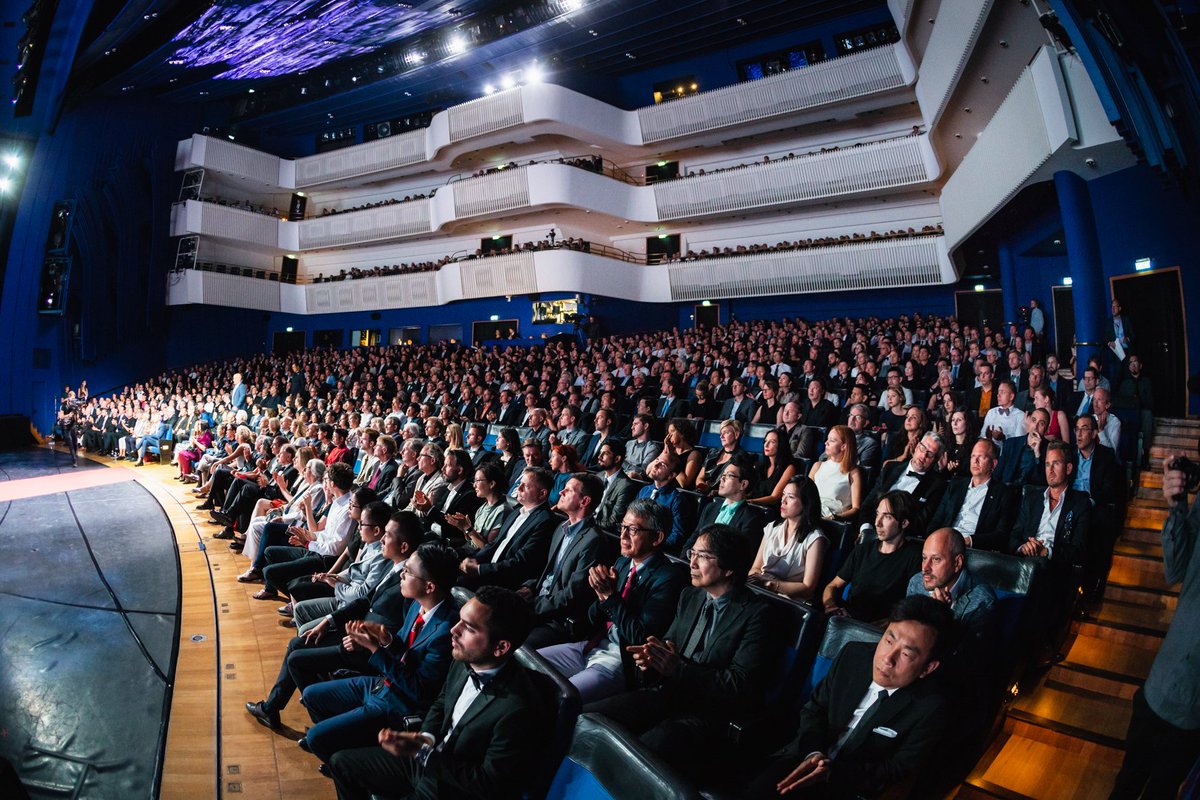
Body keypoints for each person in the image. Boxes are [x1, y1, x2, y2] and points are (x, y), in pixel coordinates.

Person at [584, 524, 774, 779]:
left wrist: (677, 668)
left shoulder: (755, 614)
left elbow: (739, 685)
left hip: (705, 712)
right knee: (588, 719)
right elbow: (669, 644)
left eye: (703, 556)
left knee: (637, 756)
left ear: (729, 568)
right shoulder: (690, 596)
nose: (692, 563)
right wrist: (651, 657)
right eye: (692, 554)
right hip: (666, 693)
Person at [327, 587, 551, 800]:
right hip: (428, 759)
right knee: (341, 763)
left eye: (469, 628)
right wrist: (425, 738)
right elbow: (441, 703)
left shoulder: (519, 709)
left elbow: (488, 784)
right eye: (460, 620)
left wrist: (423, 753)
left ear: (500, 647)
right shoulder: (466, 659)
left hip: (454, 788)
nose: (454, 630)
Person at [744, 596, 953, 800]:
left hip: (850, 786)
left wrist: (831, 772)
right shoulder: (853, 655)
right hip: (804, 755)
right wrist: (813, 754)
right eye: (889, 640)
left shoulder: (931, 706)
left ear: (928, 668)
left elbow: (898, 767)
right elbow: (815, 709)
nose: (888, 658)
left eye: (906, 654)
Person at [297, 543, 461, 762]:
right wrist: (380, 640)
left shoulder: (446, 630)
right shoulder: (417, 604)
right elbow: (403, 647)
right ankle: (343, 744)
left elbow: (418, 690)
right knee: (311, 696)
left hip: (398, 703)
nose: (401, 575)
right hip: (381, 684)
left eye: (408, 572)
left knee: (317, 737)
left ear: (429, 586)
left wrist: (376, 649)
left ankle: (342, 759)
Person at [1109, 455, 1200, 799]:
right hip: (1162, 684)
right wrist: (1177, 505)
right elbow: (1175, 570)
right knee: (1127, 781)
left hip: (1194, 709)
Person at [537, 500, 689, 704]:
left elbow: (641, 637)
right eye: (623, 527)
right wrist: (600, 595)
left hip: (619, 660)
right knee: (526, 665)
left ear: (657, 538)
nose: (623, 535)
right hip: (591, 646)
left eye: (633, 530)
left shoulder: (669, 578)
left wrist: (610, 597)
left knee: (562, 699)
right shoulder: (623, 562)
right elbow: (592, 619)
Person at [519, 472, 607, 649]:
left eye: (568, 490)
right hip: (540, 602)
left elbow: (574, 594)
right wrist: (530, 587)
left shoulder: (594, 540)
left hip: (558, 619)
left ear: (584, 501)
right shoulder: (561, 528)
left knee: (516, 643)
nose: (560, 492)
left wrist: (533, 607)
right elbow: (549, 572)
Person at [825, 491, 923, 623]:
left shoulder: (914, 558)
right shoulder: (863, 549)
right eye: (877, 514)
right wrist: (831, 606)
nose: (877, 522)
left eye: (887, 517)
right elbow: (833, 586)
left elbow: (911, 609)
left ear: (904, 523)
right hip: (846, 620)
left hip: (878, 630)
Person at [926, 439, 1013, 551]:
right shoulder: (956, 485)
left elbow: (1002, 534)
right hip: (943, 542)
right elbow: (936, 520)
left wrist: (971, 541)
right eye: (973, 456)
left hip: (973, 549)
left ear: (993, 464)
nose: (975, 461)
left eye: (981, 457)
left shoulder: (1003, 493)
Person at [749, 476, 828, 600]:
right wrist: (757, 580)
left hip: (788, 600)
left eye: (790, 497)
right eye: (783, 495)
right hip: (761, 590)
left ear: (806, 503)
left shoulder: (815, 538)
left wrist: (771, 584)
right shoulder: (772, 527)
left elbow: (808, 588)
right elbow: (756, 567)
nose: (783, 500)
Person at [907, 528, 996, 629]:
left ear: (957, 563)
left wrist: (941, 617)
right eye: (924, 558)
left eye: (936, 559)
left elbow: (966, 644)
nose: (925, 568)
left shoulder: (982, 600)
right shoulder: (917, 582)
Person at [684, 454, 765, 552]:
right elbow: (692, 540)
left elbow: (741, 554)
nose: (722, 479)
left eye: (729, 475)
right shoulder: (710, 508)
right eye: (723, 475)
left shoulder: (751, 518)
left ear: (743, 484)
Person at [809, 425, 863, 522]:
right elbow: (804, 493)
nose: (826, 443)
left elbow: (856, 508)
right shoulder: (817, 466)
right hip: (811, 514)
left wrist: (836, 517)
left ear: (843, 446)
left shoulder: (853, 472)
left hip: (832, 520)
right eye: (827, 439)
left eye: (832, 440)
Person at [592, 439, 639, 533]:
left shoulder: (626, 486)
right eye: (600, 453)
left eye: (605, 454)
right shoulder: (598, 476)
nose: (599, 457)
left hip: (602, 534)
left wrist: (588, 522)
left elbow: (613, 523)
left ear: (617, 459)